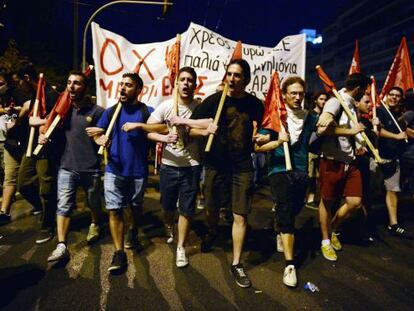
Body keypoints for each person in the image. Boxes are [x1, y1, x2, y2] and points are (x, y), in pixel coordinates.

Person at [190, 59, 264, 288]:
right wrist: (204, 130)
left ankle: (236, 263)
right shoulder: (213, 102)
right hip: (214, 164)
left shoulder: (254, 104)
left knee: (240, 214)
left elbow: (265, 127)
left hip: (241, 166)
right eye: (229, 74)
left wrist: (263, 136)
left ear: (246, 79)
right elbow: (190, 128)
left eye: (237, 75)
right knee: (212, 208)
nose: (232, 79)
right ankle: (212, 231)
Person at [255, 76, 318, 287]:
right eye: (293, 93)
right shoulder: (275, 118)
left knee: (295, 207)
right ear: (284, 95)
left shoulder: (310, 117)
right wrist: (275, 141)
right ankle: (290, 265)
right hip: (279, 169)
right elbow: (257, 147)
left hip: (301, 170)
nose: (298, 97)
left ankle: (281, 224)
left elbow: (326, 127)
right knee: (285, 211)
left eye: (301, 93)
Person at [90, 72, 150, 274]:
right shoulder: (111, 112)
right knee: (114, 210)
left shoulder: (145, 111)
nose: (123, 88)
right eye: (121, 84)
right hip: (114, 169)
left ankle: (133, 230)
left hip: (138, 171)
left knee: (134, 207)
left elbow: (161, 128)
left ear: (138, 90)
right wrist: (100, 140)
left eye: (128, 85)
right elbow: (97, 133)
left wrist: (143, 126)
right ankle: (119, 252)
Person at [143, 67, 203, 268]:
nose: (186, 83)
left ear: (195, 84)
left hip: (191, 166)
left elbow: (209, 125)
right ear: (176, 84)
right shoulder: (166, 106)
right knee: (167, 207)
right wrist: (163, 137)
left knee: (187, 209)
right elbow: (149, 130)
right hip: (169, 166)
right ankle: (169, 225)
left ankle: (181, 247)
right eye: (182, 79)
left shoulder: (200, 106)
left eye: (190, 80)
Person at [43, 71, 105, 263]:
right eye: (69, 82)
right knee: (63, 205)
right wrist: (43, 135)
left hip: (91, 167)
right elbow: (47, 126)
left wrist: (103, 136)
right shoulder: (63, 111)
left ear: (85, 87)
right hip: (67, 167)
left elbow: (106, 134)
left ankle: (95, 222)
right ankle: (62, 245)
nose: (71, 86)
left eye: (77, 83)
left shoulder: (97, 112)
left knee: (93, 202)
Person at [316, 73, 371, 261]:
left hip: (350, 162)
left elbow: (349, 133)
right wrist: (349, 129)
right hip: (332, 161)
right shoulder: (336, 101)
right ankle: (325, 240)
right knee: (327, 202)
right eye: (364, 90)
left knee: (355, 202)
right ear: (358, 89)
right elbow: (322, 127)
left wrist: (358, 143)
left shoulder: (351, 105)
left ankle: (333, 228)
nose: (365, 94)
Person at [16, 64, 61, 243]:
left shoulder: (50, 94)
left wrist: (40, 121)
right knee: (23, 183)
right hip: (31, 148)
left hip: (46, 149)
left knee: (46, 189)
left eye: (19, 80)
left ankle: (47, 225)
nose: (19, 85)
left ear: (27, 78)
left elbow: (60, 118)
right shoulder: (34, 96)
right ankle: (46, 210)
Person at [377, 87, 410, 237]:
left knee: (392, 191)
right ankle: (364, 223)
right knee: (369, 193)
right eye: (392, 95)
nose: (394, 98)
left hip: (393, 158)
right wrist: (396, 136)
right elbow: (377, 131)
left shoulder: (400, 115)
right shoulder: (380, 111)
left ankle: (393, 223)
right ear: (387, 96)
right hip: (378, 158)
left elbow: (405, 132)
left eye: (397, 96)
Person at [306, 91, 329, 209]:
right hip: (311, 150)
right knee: (310, 176)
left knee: (320, 177)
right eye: (321, 99)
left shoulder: (328, 115)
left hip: (323, 151)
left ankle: (316, 198)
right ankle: (309, 198)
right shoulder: (310, 115)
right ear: (315, 100)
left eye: (325, 99)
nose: (323, 102)